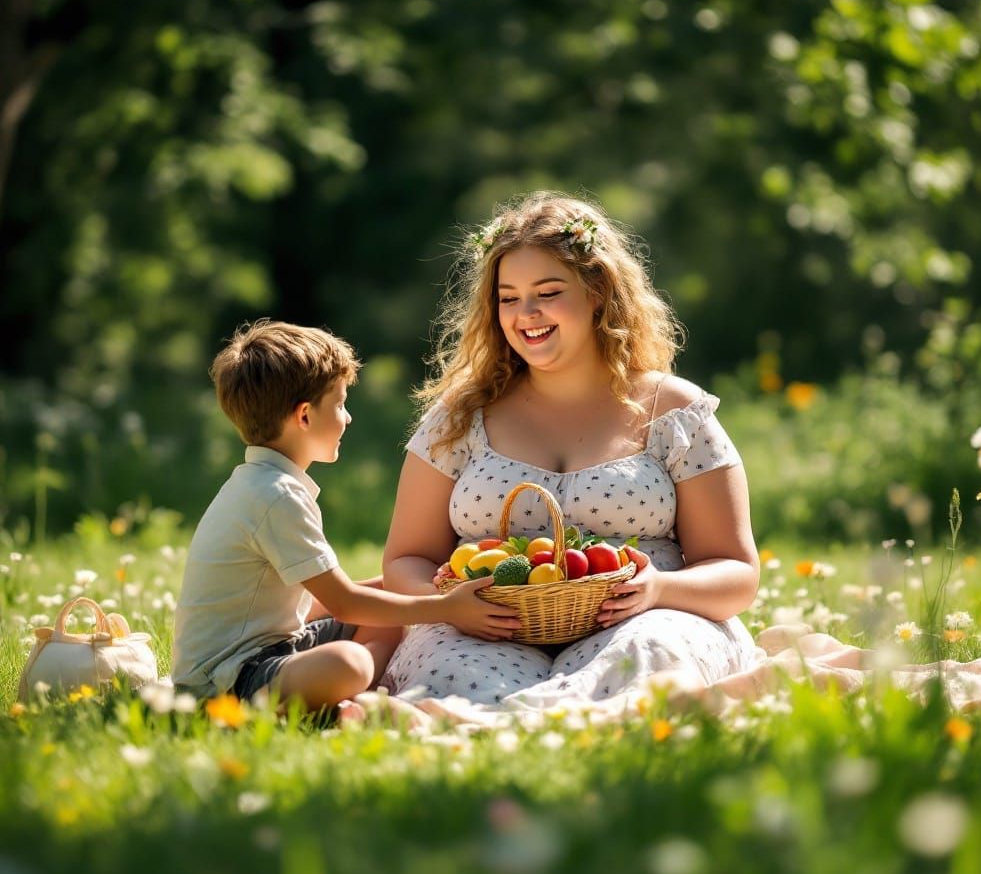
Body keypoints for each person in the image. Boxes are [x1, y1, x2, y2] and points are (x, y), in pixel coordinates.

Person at [381, 193, 761, 709]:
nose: (526, 314)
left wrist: (658, 591)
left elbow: (736, 572)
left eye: (548, 292)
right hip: (480, 633)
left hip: (643, 621)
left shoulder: (674, 411)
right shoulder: (459, 417)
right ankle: (520, 723)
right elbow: (406, 559)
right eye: (509, 297)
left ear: (597, 291)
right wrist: (447, 604)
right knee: (458, 678)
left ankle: (531, 725)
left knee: (649, 659)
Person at [171, 320, 516, 712]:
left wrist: (413, 591)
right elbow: (345, 604)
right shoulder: (274, 497)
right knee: (347, 662)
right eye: (339, 403)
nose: (348, 417)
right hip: (228, 679)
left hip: (273, 647)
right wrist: (447, 607)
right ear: (304, 416)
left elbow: (312, 605)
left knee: (390, 591)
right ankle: (352, 696)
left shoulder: (264, 484)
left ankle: (358, 700)